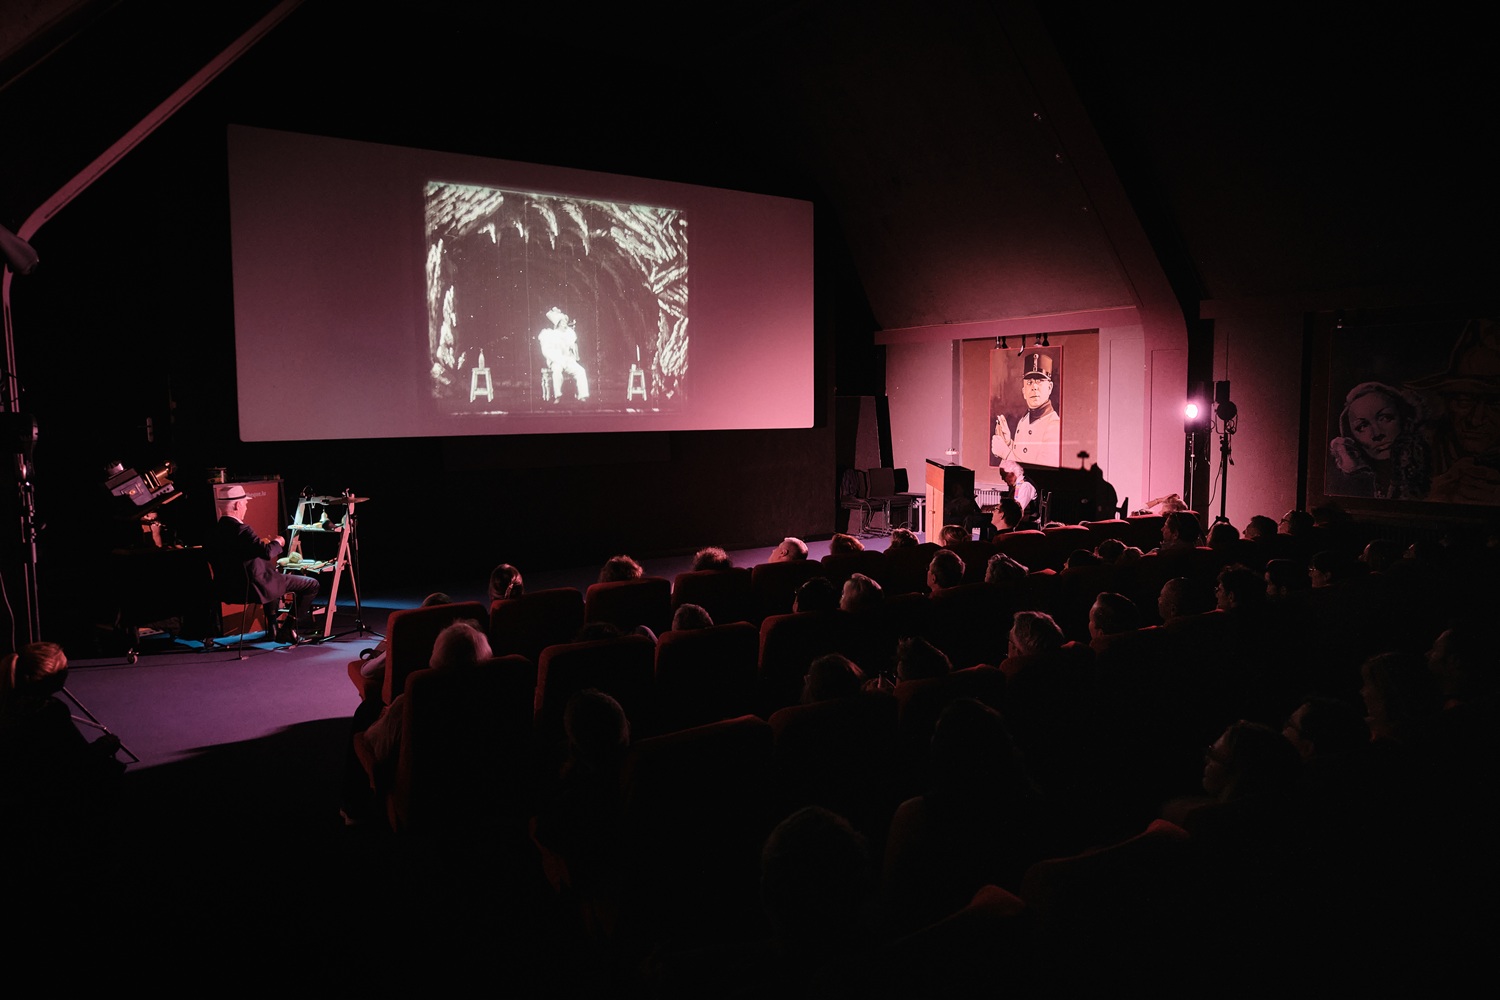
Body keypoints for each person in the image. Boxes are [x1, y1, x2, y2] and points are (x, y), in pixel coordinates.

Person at [208, 483, 319, 644]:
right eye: (245, 504)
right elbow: (266, 553)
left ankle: (273, 628)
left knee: (270, 577)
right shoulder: (242, 530)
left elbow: (236, 553)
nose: (245, 507)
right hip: (253, 588)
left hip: (226, 589)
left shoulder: (213, 533)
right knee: (311, 584)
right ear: (238, 504)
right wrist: (277, 542)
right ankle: (288, 629)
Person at [1407, 317, 1500, 504]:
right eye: (1464, 401)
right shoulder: (1420, 448)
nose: (1476, 419)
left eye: (1495, 404)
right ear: (1448, 403)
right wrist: (1433, 501)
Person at [1327, 381, 1430, 499]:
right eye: (1362, 426)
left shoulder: (1438, 474)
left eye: (1385, 418)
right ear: (1352, 439)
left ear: (1405, 419)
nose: (1377, 433)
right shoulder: (1364, 484)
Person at [991, 351, 1061, 466]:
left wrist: (1005, 452)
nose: (1034, 387)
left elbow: (1041, 472)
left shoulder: (1054, 425)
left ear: (1050, 387)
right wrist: (1009, 443)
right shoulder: (1025, 419)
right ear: (1024, 392)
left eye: (1040, 381)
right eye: (1029, 382)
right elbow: (1024, 456)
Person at [537, 305, 590, 403]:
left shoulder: (569, 333)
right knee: (557, 371)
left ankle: (583, 396)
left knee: (581, 371)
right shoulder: (551, 335)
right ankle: (558, 396)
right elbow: (547, 351)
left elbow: (573, 347)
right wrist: (557, 358)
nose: (565, 323)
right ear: (559, 324)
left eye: (566, 321)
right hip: (556, 360)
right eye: (563, 322)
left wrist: (572, 353)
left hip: (568, 359)